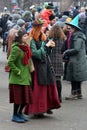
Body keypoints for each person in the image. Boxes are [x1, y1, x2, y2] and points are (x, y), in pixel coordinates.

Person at [24, 19, 60, 117]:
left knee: (48, 86)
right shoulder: (31, 39)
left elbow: (46, 53)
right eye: (41, 27)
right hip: (37, 67)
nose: (43, 28)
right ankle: (38, 109)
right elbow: (35, 54)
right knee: (39, 88)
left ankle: (47, 106)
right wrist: (45, 46)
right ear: (36, 27)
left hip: (45, 65)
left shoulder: (43, 37)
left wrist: (49, 48)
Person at [8, 28, 33, 123]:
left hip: (26, 77)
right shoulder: (16, 48)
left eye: (27, 35)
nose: (27, 37)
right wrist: (17, 71)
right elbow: (10, 62)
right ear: (20, 38)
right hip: (18, 78)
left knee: (25, 99)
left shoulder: (26, 47)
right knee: (18, 99)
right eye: (25, 36)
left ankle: (19, 113)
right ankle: (15, 115)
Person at [62, 15, 87, 100]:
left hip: (76, 60)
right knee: (77, 77)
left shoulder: (77, 37)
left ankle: (74, 93)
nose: (69, 29)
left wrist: (66, 52)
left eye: (70, 28)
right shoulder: (79, 35)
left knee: (74, 77)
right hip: (78, 60)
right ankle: (79, 93)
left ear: (74, 28)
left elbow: (76, 49)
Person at [47, 24, 66, 102]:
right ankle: (59, 96)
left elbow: (47, 49)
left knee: (51, 80)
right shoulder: (63, 40)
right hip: (59, 60)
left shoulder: (50, 40)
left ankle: (52, 96)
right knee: (58, 80)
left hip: (51, 60)